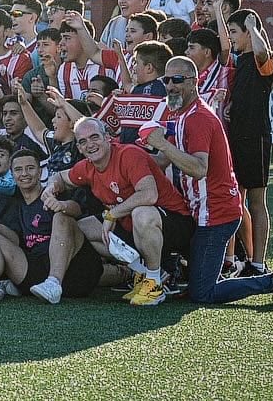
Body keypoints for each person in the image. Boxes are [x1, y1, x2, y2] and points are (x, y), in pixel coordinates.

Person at [147, 56, 273, 305]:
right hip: (200, 210)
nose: (170, 86)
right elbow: (163, 159)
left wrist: (161, 143)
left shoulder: (198, 118)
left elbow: (198, 168)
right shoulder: (182, 114)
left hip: (215, 213)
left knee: (202, 293)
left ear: (194, 82)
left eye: (177, 80)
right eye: (166, 80)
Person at [35, 118, 193, 306]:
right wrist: (50, 189)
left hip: (175, 224)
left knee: (141, 212)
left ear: (108, 138)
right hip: (135, 228)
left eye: (94, 137)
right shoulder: (87, 167)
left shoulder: (129, 154)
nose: (90, 144)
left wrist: (112, 214)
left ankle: (154, 285)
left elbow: (149, 195)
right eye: (83, 141)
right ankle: (144, 272)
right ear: (78, 147)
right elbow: (59, 177)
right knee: (80, 227)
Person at [0, 150, 114, 302]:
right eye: (18, 170)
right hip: (35, 273)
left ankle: (54, 282)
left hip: (74, 272)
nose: (24, 174)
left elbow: (76, 209)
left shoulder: (52, 192)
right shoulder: (12, 200)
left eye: (30, 168)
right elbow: (14, 237)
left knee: (62, 217)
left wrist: (61, 205)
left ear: (40, 172)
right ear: (12, 174)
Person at [225, 9, 273, 277]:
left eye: (236, 31)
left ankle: (258, 262)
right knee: (235, 199)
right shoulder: (238, 61)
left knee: (256, 201)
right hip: (234, 136)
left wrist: (253, 26)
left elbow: (262, 55)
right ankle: (234, 259)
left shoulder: (267, 59)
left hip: (255, 136)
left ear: (249, 32)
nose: (231, 37)